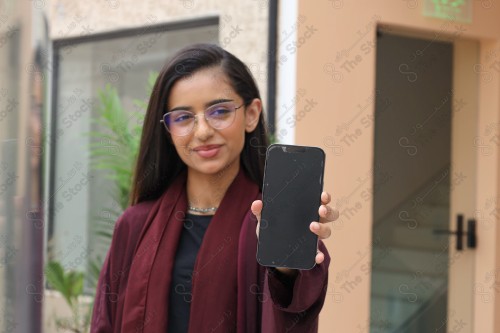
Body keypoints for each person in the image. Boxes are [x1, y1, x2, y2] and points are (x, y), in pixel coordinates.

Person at [90, 43, 338, 333]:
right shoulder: (135, 225)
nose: (203, 131)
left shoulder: (269, 221)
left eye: (219, 111)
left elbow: (294, 306)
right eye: (183, 117)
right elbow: (104, 323)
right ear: (167, 130)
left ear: (251, 114)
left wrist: (286, 265)